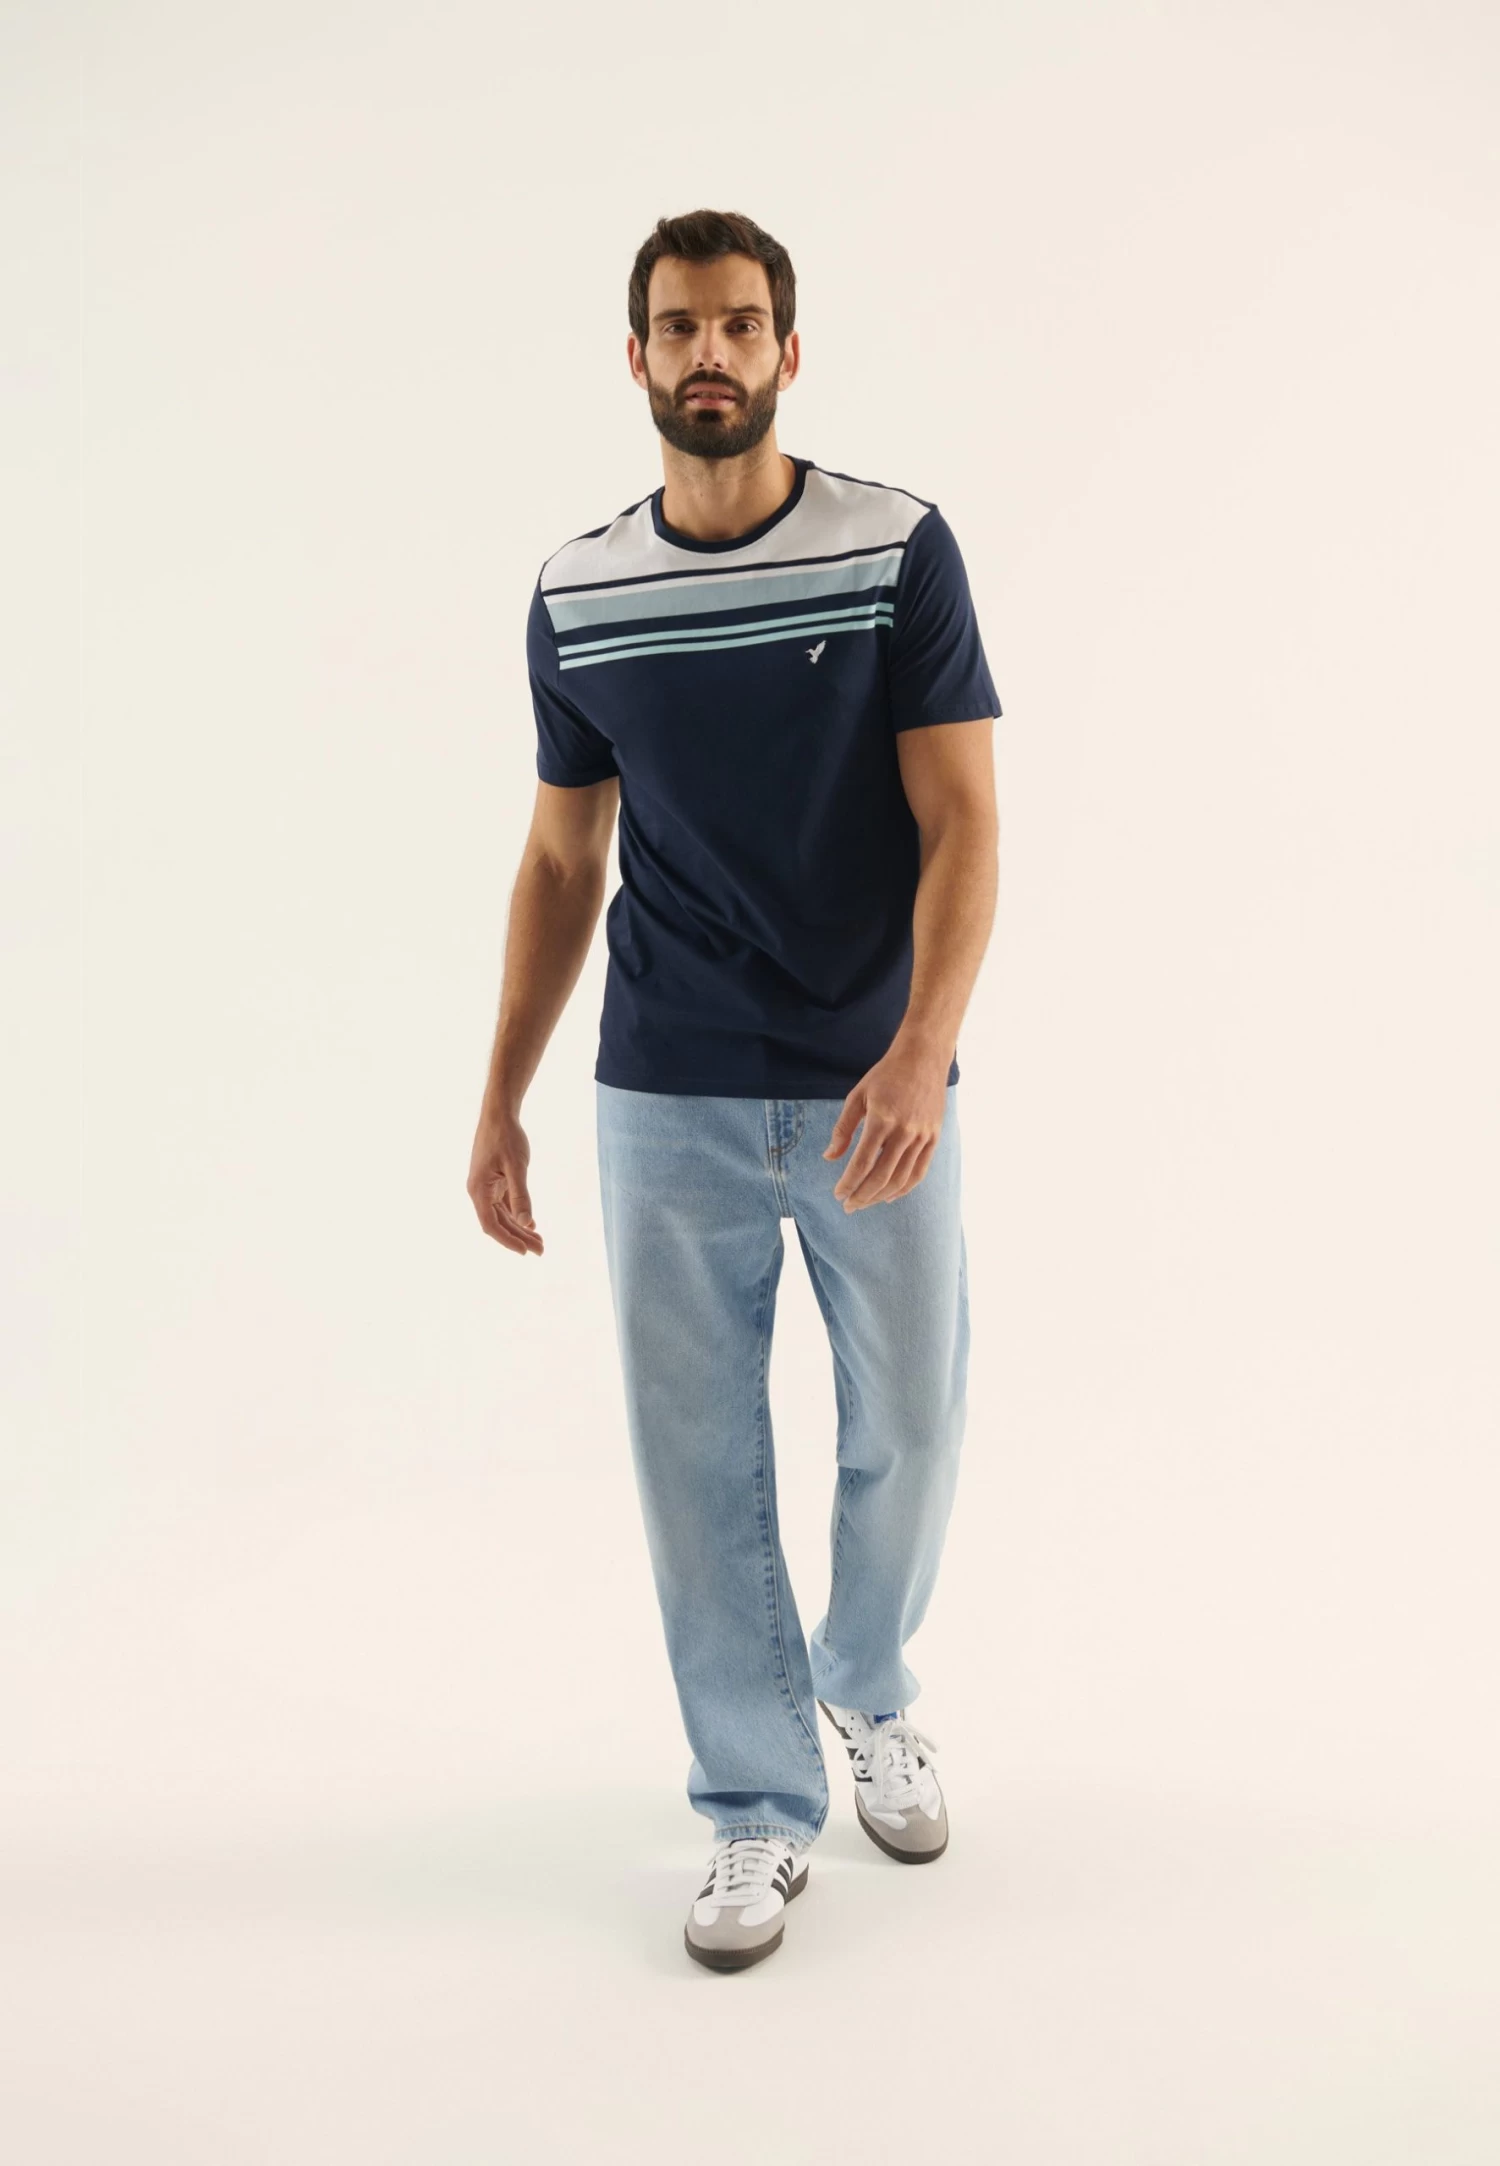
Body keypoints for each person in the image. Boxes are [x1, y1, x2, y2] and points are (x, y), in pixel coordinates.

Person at [467, 208, 1001, 1971]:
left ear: (789, 349)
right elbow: (563, 860)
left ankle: (867, 1680)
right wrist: (501, 1094)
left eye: (743, 323)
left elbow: (965, 822)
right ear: (636, 357)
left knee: (911, 1420)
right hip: (668, 1081)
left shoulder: (896, 549)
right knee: (694, 1459)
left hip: (873, 1088)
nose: (714, 352)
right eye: (683, 326)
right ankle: (754, 1803)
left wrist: (919, 1048)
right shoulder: (580, 593)